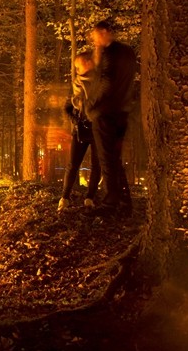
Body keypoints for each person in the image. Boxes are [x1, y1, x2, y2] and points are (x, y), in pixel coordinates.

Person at [86, 20, 137, 215]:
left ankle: (110, 203)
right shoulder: (128, 53)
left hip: (106, 114)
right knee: (115, 159)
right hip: (122, 113)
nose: (95, 40)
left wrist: (91, 105)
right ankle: (125, 202)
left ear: (106, 32)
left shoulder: (110, 53)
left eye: (96, 35)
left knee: (107, 159)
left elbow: (106, 82)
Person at [58, 51, 101, 212]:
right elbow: (68, 106)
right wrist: (74, 119)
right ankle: (64, 198)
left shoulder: (101, 83)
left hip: (97, 130)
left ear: (89, 63)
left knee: (97, 166)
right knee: (72, 164)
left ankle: (89, 198)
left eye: (79, 65)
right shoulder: (76, 84)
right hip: (80, 129)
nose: (77, 69)